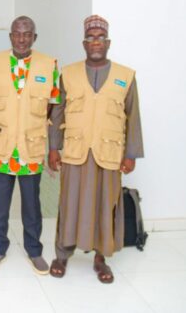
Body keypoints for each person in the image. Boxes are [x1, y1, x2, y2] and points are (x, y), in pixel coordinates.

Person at [48, 15, 143, 284]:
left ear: (108, 43)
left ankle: (101, 258)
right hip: (75, 152)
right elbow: (57, 113)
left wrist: (131, 154)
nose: (96, 42)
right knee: (69, 204)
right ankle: (62, 254)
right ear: (84, 43)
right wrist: (53, 148)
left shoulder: (126, 76)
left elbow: (133, 116)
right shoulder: (68, 73)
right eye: (91, 38)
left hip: (109, 154)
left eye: (101, 38)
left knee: (106, 205)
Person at [0, 16, 60, 275]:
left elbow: (53, 104)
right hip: (2, 147)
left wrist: (30, 121)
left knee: (32, 205)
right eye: (17, 33)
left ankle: (34, 251)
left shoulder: (49, 65)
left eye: (27, 34)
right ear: (10, 36)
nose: (22, 39)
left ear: (34, 37)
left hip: (31, 146)